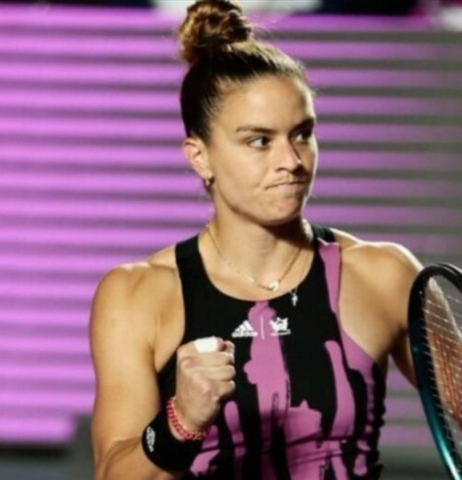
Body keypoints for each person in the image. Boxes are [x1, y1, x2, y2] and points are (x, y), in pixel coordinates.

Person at [89, 1, 423, 478]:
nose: (291, 161)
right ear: (200, 156)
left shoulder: (384, 274)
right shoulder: (136, 295)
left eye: (302, 134)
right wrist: (181, 422)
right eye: (259, 141)